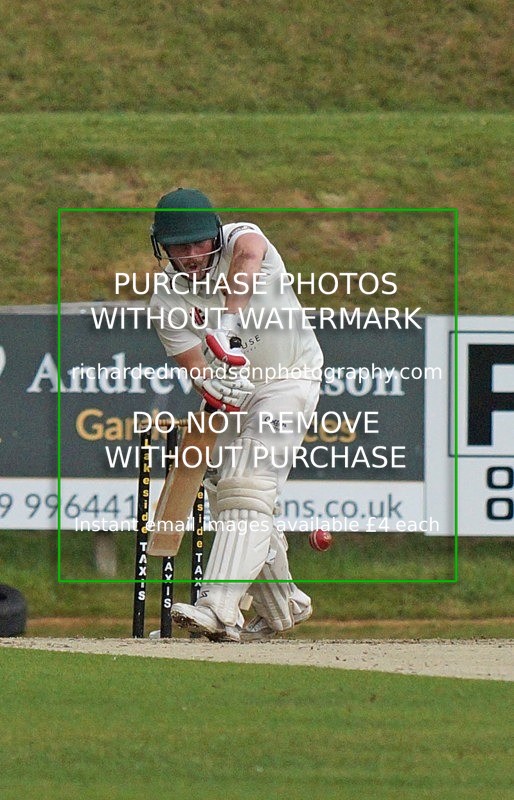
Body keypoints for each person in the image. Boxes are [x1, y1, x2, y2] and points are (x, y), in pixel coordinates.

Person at [149, 188, 323, 642]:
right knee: (230, 494)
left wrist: (226, 325)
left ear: (215, 234)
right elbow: (194, 366)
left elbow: (248, 256)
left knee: (248, 482)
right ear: (161, 247)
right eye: (178, 247)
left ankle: (220, 605)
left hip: (290, 377)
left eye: (198, 243)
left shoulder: (242, 240)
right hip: (240, 396)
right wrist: (211, 383)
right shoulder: (167, 301)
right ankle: (283, 607)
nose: (190, 255)